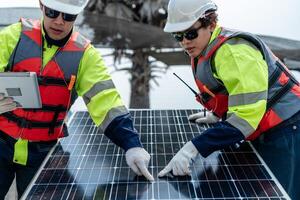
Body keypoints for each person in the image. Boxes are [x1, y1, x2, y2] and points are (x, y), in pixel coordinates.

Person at [0, 0, 154, 198]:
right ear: (42, 6)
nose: (59, 21)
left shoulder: (85, 55)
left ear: (77, 15)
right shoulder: (14, 36)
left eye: (68, 16)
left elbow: (106, 101)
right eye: (53, 12)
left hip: (44, 154)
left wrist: (132, 144)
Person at [158, 0, 300, 199]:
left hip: (288, 129)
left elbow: (245, 119)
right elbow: (230, 89)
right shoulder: (205, 47)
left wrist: (194, 147)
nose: (184, 42)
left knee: (280, 192)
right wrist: (218, 114)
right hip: (265, 125)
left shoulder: (235, 53)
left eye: (190, 34)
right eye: (178, 36)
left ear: (210, 24)